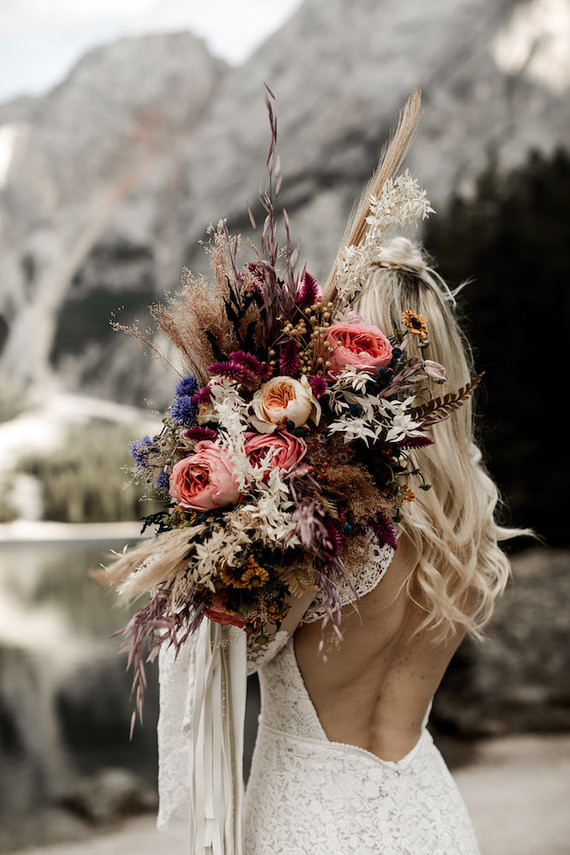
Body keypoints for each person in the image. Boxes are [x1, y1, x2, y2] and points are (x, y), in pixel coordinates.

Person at [242, 237, 519, 853]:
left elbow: (236, 656)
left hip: (312, 823)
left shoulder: (330, 520)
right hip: (432, 820)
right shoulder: (467, 521)